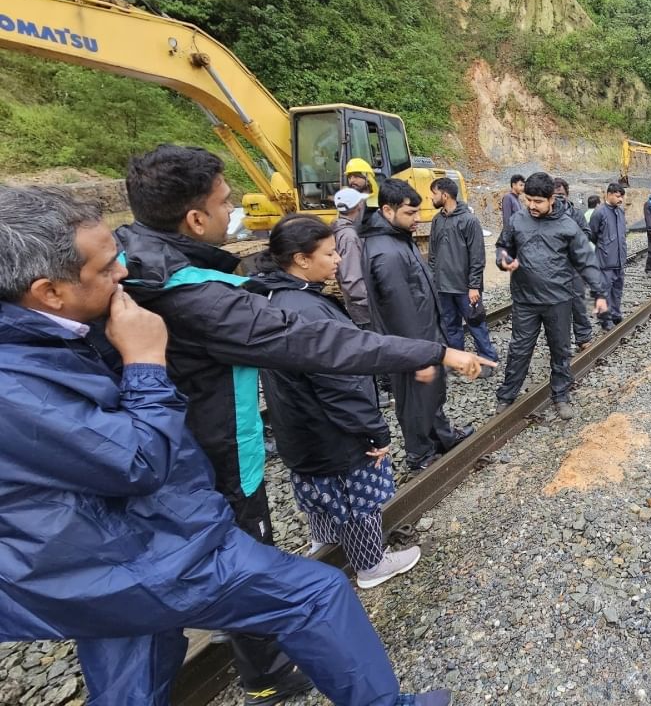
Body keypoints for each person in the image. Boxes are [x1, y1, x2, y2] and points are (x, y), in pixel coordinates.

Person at [0, 185, 451, 706]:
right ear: (48, 292)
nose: (122, 274)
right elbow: (136, 462)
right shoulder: (17, 381)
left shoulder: (54, 331)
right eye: (105, 269)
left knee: (132, 667)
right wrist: (146, 362)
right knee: (315, 594)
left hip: (76, 554)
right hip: (114, 554)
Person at [116, 145, 486, 702]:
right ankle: (276, 673)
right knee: (297, 585)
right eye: (224, 201)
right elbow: (320, 344)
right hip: (214, 459)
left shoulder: (140, 265)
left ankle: (262, 669)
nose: (233, 209)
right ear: (195, 219)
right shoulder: (192, 295)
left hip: (189, 453)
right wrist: (431, 351)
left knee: (176, 602)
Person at [258, 215, 423, 589]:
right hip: (331, 431)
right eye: (329, 253)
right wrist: (373, 431)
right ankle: (371, 564)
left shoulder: (273, 295)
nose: (337, 260)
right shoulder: (310, 310)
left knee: (319, 491)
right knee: (357, 497)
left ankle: (325, 544)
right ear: (301, 259)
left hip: (297, 426)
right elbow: (341, 383)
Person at [362, 178, 489, 471]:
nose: (418, 219)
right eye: (410, 213)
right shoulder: (387, 253)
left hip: (421, 338)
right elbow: (400, 309)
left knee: (431, 393)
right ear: (387, 210)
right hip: (410, 344)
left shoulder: (395, 240)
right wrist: (420, 356)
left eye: (419, 212)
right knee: (414, 400)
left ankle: (443, 437)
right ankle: (420, 455)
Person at [495, 172, 608, 420]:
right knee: (519, 349)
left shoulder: (568, 225)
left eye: (538, 201)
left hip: (558, 300)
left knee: (560, 350)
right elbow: (503, 246)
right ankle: (507, 396)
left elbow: (586, 261)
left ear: (551, 199)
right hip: (525, 299)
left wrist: (599, 292)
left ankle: (561, 395)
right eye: (529, 200)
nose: (532, 206)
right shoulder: (517, 220)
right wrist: (503, 260)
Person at [427, 176, 498, 375]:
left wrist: (474, 286)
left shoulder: (469, 220)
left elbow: (477, 256)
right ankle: (458, 361)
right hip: (443, 287)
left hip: (465, 288)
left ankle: (488, 360)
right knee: (450, 325)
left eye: (433, 193)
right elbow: (433, 255)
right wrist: (433, 280)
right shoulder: (437, 220)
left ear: (445, 194)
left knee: (476, 324)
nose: (431, 198)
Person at [553, 177, 595, 349]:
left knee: (578, 302)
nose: (559, 198)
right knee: (556, 307)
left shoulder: (576, 214)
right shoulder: (546, 216)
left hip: (574, 266)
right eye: (555, 195)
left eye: (561, 194)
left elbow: (587, 233)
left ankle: (583, 337)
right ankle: (559, 343)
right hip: (554, 268)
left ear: (567, 194)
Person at [588, 182, 627, 331]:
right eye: (618, 196)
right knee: (603, 292)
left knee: (617, 290)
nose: (620, 200)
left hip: (619, 260)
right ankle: (605, 320)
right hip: (604, 261)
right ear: (609, 194)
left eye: (622, 197)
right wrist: (605, 247)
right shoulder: (599, 213)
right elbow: (592, 235)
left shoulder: (620, 212)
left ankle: (615, 314)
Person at [332, 187, 371, 326]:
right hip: (364, 313)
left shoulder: (340, 231)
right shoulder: (349, 237)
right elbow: (352, 279)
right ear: (359, 205)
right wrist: (371, 304)